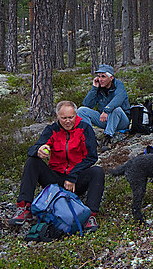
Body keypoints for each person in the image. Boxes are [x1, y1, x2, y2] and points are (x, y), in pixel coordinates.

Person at [9, 100, 103, 232]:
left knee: (97, 172)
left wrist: (72, 176)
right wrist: (39, 150)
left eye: (71, 117)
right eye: (64, 118)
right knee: (32, 161)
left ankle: (90, 216)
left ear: (76, 115)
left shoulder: (85, 129)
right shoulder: (52, 130)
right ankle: (24, 208)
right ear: (57, 117)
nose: (68, 121)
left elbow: (92, 156)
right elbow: (33, 149)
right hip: (55, 181)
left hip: (76, 180)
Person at [77, 64, 130, 148]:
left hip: (121, 121)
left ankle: (107, 138)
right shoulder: (99, 89)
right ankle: (90, 139)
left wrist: (106, 110)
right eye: (99, 76)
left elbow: (119, 99)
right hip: (105, 120)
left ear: (111, 78)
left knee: (116, 109)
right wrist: (94, 88)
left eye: (103, 76)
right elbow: (87, 104)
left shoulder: (119, 85)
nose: (100, 79)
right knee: (81, 110)